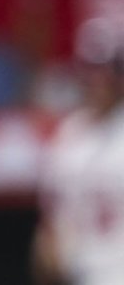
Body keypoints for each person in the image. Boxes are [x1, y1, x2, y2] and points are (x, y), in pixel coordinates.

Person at [32, 16, 124, 285]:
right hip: (78, 273)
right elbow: (49, 226)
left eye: (108, 70)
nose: (99, 80)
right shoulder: (68, 135)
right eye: (92, 70)